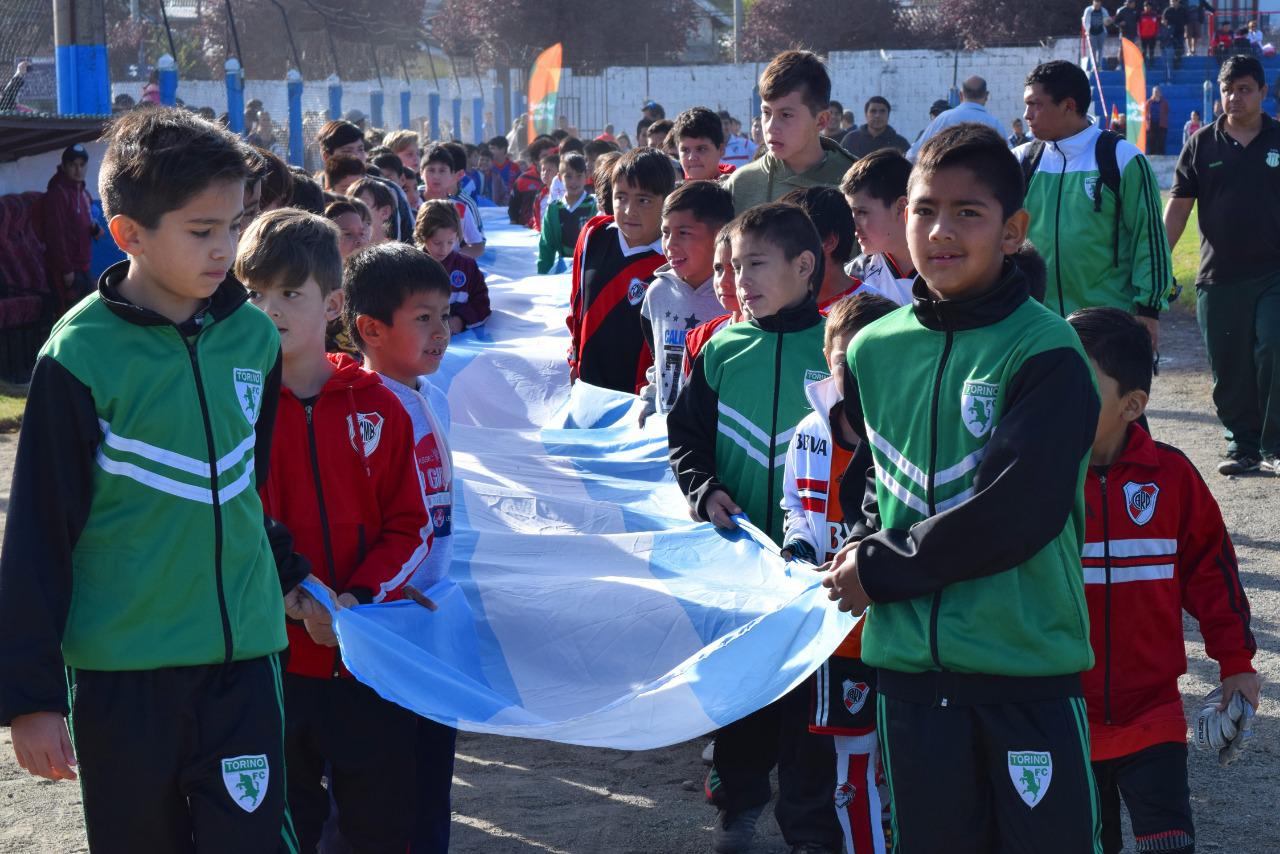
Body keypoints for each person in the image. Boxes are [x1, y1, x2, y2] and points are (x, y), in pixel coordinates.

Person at [0, 106, 318, 852]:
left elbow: (241, 492)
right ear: (128, 234)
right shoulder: (78, 356)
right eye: (201, 230)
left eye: (234, 224)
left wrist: (294, 581)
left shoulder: (252, 337)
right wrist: (30, 698)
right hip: (122, 677)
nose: (225, 248)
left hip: (243, 666)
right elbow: (39, 535)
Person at [824, 124, 1102, 852]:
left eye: (967, 213)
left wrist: (880, 567)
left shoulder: (1046, 349)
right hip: (909, 675)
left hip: (1022, 668)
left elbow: (1020, 511)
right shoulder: (872, 348)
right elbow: (873, 485)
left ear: (1012, 231)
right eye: (924, 210)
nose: (941, 231)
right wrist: (859, 546)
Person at [240, 220, 429, 854]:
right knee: (283, 827)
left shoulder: (382, 405)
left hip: (367, 660)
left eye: (290, 293)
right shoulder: (234, 410)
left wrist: (357, 600)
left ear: (334, 303)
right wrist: (294, 603)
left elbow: (411, 525)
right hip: (272, 663)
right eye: (254, 293)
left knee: (379, 824)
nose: (269, 310)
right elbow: (233, 529)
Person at [669, 202, 837, 853]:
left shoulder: (838, 349)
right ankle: (738, 809)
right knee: (739, 691)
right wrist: (704, 489)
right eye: (735, 267)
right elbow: (685, 438)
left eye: (756, 265)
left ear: (805, 265)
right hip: (738, 564)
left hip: (813, 570)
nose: (741, 281)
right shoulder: (719, 349)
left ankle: (808, 828)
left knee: (805, 704)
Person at [1069, 307, 1259, 854]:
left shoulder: (1171, 477)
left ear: (1132, 406)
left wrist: (1237, 663)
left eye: (1078, 382)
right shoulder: (1035, 479)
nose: (1057, 394)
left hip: (1152, 713)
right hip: (1060, 713)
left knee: (1169, 844)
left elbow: (1213, 573)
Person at [341, 241, 458, 854]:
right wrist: (379, 590)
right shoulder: (362, 411)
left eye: (445, 315)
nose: (441, 331)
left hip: (430, 617)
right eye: (423, 318)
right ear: (370, 328)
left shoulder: (430, 396)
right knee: (387, 785)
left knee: (430, 775)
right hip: (386, 618)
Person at [780, 291, 898, 854]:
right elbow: (795, 506)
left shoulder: (904, 429)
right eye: (842, 360)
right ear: (826, 359)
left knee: (901, 763)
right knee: (851, 768)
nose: (852, 375)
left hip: (902, 625)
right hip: (839, 634)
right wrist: (799, 543)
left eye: (867, 360)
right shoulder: (808, 432)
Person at [1166, 55, 1280, 475]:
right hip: (1219, 276)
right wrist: (1157, 263)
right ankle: (1242, 446)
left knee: (1274, 347)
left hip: (1274, 273)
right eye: (1228, 90)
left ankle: (1274, 446)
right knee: (1229, 365)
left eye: (1244, 89)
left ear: (1263, 92)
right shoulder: (1200, 144)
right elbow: (1178, 209)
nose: (1234, 97)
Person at [1018, 61, 1171, 338]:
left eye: (1035, 105)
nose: (1027, 115)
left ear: (1068, 105)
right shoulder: (1021, 161)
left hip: (1107, 327)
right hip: (1035, 326)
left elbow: (1149, 239)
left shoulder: (1122, 158)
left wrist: (1149, 310)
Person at [567, 148, 673, 393]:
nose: (628, 210)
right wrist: (574, 359)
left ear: (667, 201)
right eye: (621, 197)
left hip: (639, 396)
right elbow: (577, 303)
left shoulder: (674, 257)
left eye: (643, 200)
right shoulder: (593, 235)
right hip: (588, 385)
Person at [638, 180, 735, 424]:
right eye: (665, 232)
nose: (670, 244)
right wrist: (650, 398)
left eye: (684, 233)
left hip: (717, 431)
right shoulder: (656, 293)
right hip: (667, 427)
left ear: (719, 235)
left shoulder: (737, 297)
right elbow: (659, 359)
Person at [725, 50, 856, 213]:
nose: (771, 127)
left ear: (821, 120)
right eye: (766, 112)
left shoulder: (857, 184)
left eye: (786, 115)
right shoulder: (741, 186)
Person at [840, 149, 916, 306]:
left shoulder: (948, 266)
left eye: (862, 212)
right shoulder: (853, 276)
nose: (853, 224)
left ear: (901, 206)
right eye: (851, 213)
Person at [41, 143, 102, 314]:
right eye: (73, 165)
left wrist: (94, 230)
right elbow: (55, 235)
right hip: (66, 270)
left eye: (82, 165)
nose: (78, 170)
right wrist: (66, 269)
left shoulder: (83, 193)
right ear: (64, 166)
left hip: (84, 266)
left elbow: (85, 223)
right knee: (69, 316)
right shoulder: (57, 194)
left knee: (91, 312)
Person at [414, 200, 491, 334]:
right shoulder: (409, 268)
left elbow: (481, 302)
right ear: (422, 237)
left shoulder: (467, 267)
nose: (444, 249)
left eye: (450, 242)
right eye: (437, 242)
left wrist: (461, 320)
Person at [681, 227, 744, 388]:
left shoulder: (786, 341)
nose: (723, 281)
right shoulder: (699, 339)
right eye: (718, 268)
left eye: (735, 268)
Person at [780, 186, 861, 310]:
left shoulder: (875, 311)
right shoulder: (770, 306)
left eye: (788, 238)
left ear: (829, 242)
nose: (777, 250)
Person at [906, 76, 1009, 160]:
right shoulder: (996, 125)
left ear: (960, 95)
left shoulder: (944, 119)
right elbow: (1008, 160)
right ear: (986, 95)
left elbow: (913, 155)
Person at [421, 143, 485, 259]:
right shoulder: (410, 201)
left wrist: (452, 260)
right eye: (431, 170)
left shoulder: (460, 207)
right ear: (421, 173)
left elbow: (478, 245)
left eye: (442, 171)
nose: (436, 176)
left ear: (452, 174)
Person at [538, 152, 598, 274]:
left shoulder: (595, 206)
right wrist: (543, 275)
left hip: (590, 269)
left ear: (586, 176)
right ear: (560, 178)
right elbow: (546, 247)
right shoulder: (553, 209)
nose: (574, 182)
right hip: (563, 271)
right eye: (568, 176)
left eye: (579, 176)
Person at [840, 96, 911, 159]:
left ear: (888, 115)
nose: (877, 115)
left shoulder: (900, 144)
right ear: (866, 115)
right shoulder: (850, 140)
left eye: (882, 111)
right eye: (873, 111)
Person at [674, 106, 733, 181]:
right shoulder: (670, 186)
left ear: (721, 150)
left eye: (701, 149)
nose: (692, 157)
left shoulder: (737, 186)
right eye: (685, 150)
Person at [347, 176, 396, 245]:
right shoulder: (340, 249)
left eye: (362, 204)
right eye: (350, 205)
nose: (353, 211)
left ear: (385, 212)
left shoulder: (397, 251)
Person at [1082, 1, 1115, 71]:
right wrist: (1087, 30)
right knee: (1093, 50)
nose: (1097, 4)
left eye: (1098, 2)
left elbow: (1107, 20)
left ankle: (1099, 66)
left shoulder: (1103, 10)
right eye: (1096, 2)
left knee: (1100, 49)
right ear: (1093, 2)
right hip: (1092, 33)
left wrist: (1108, 21)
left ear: (1100, 3)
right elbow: (1085, 21)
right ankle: (1094, 66)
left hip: (1101, 32)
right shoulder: (1088, 10)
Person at [486, 135, 519, 204]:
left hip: (510, 204)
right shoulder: (488, 167)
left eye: (493, 148)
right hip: (491, 205)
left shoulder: (514, 167)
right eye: (489, 149)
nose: (490, 152)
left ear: (503, 149)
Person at [1145, 85, 1170, 154]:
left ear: (1160, 93)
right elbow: (1146, 112)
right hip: (1151, 125)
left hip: (1161, 125)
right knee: (1151, 143)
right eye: (1155, 92)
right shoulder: (1148, 102)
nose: (1156, 93)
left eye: (1157, 92)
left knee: (1161, 143)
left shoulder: (1164, 102)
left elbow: (1167, 111)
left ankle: (1162, 157)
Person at [1163, 0, 1189, 66]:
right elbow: (1163, 20)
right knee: (1174, 46)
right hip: (1171, 32)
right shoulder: (1168, 10)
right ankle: (1175, 60)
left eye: (1174, 1)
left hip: (1180, 31)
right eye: (1172, 1)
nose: (1173, 2)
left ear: (1178, 1)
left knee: (1180, 46)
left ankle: (1177, 60)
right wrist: (1167, 27)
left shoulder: (1183, 10)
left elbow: (1186, 22)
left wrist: (1186, 31)